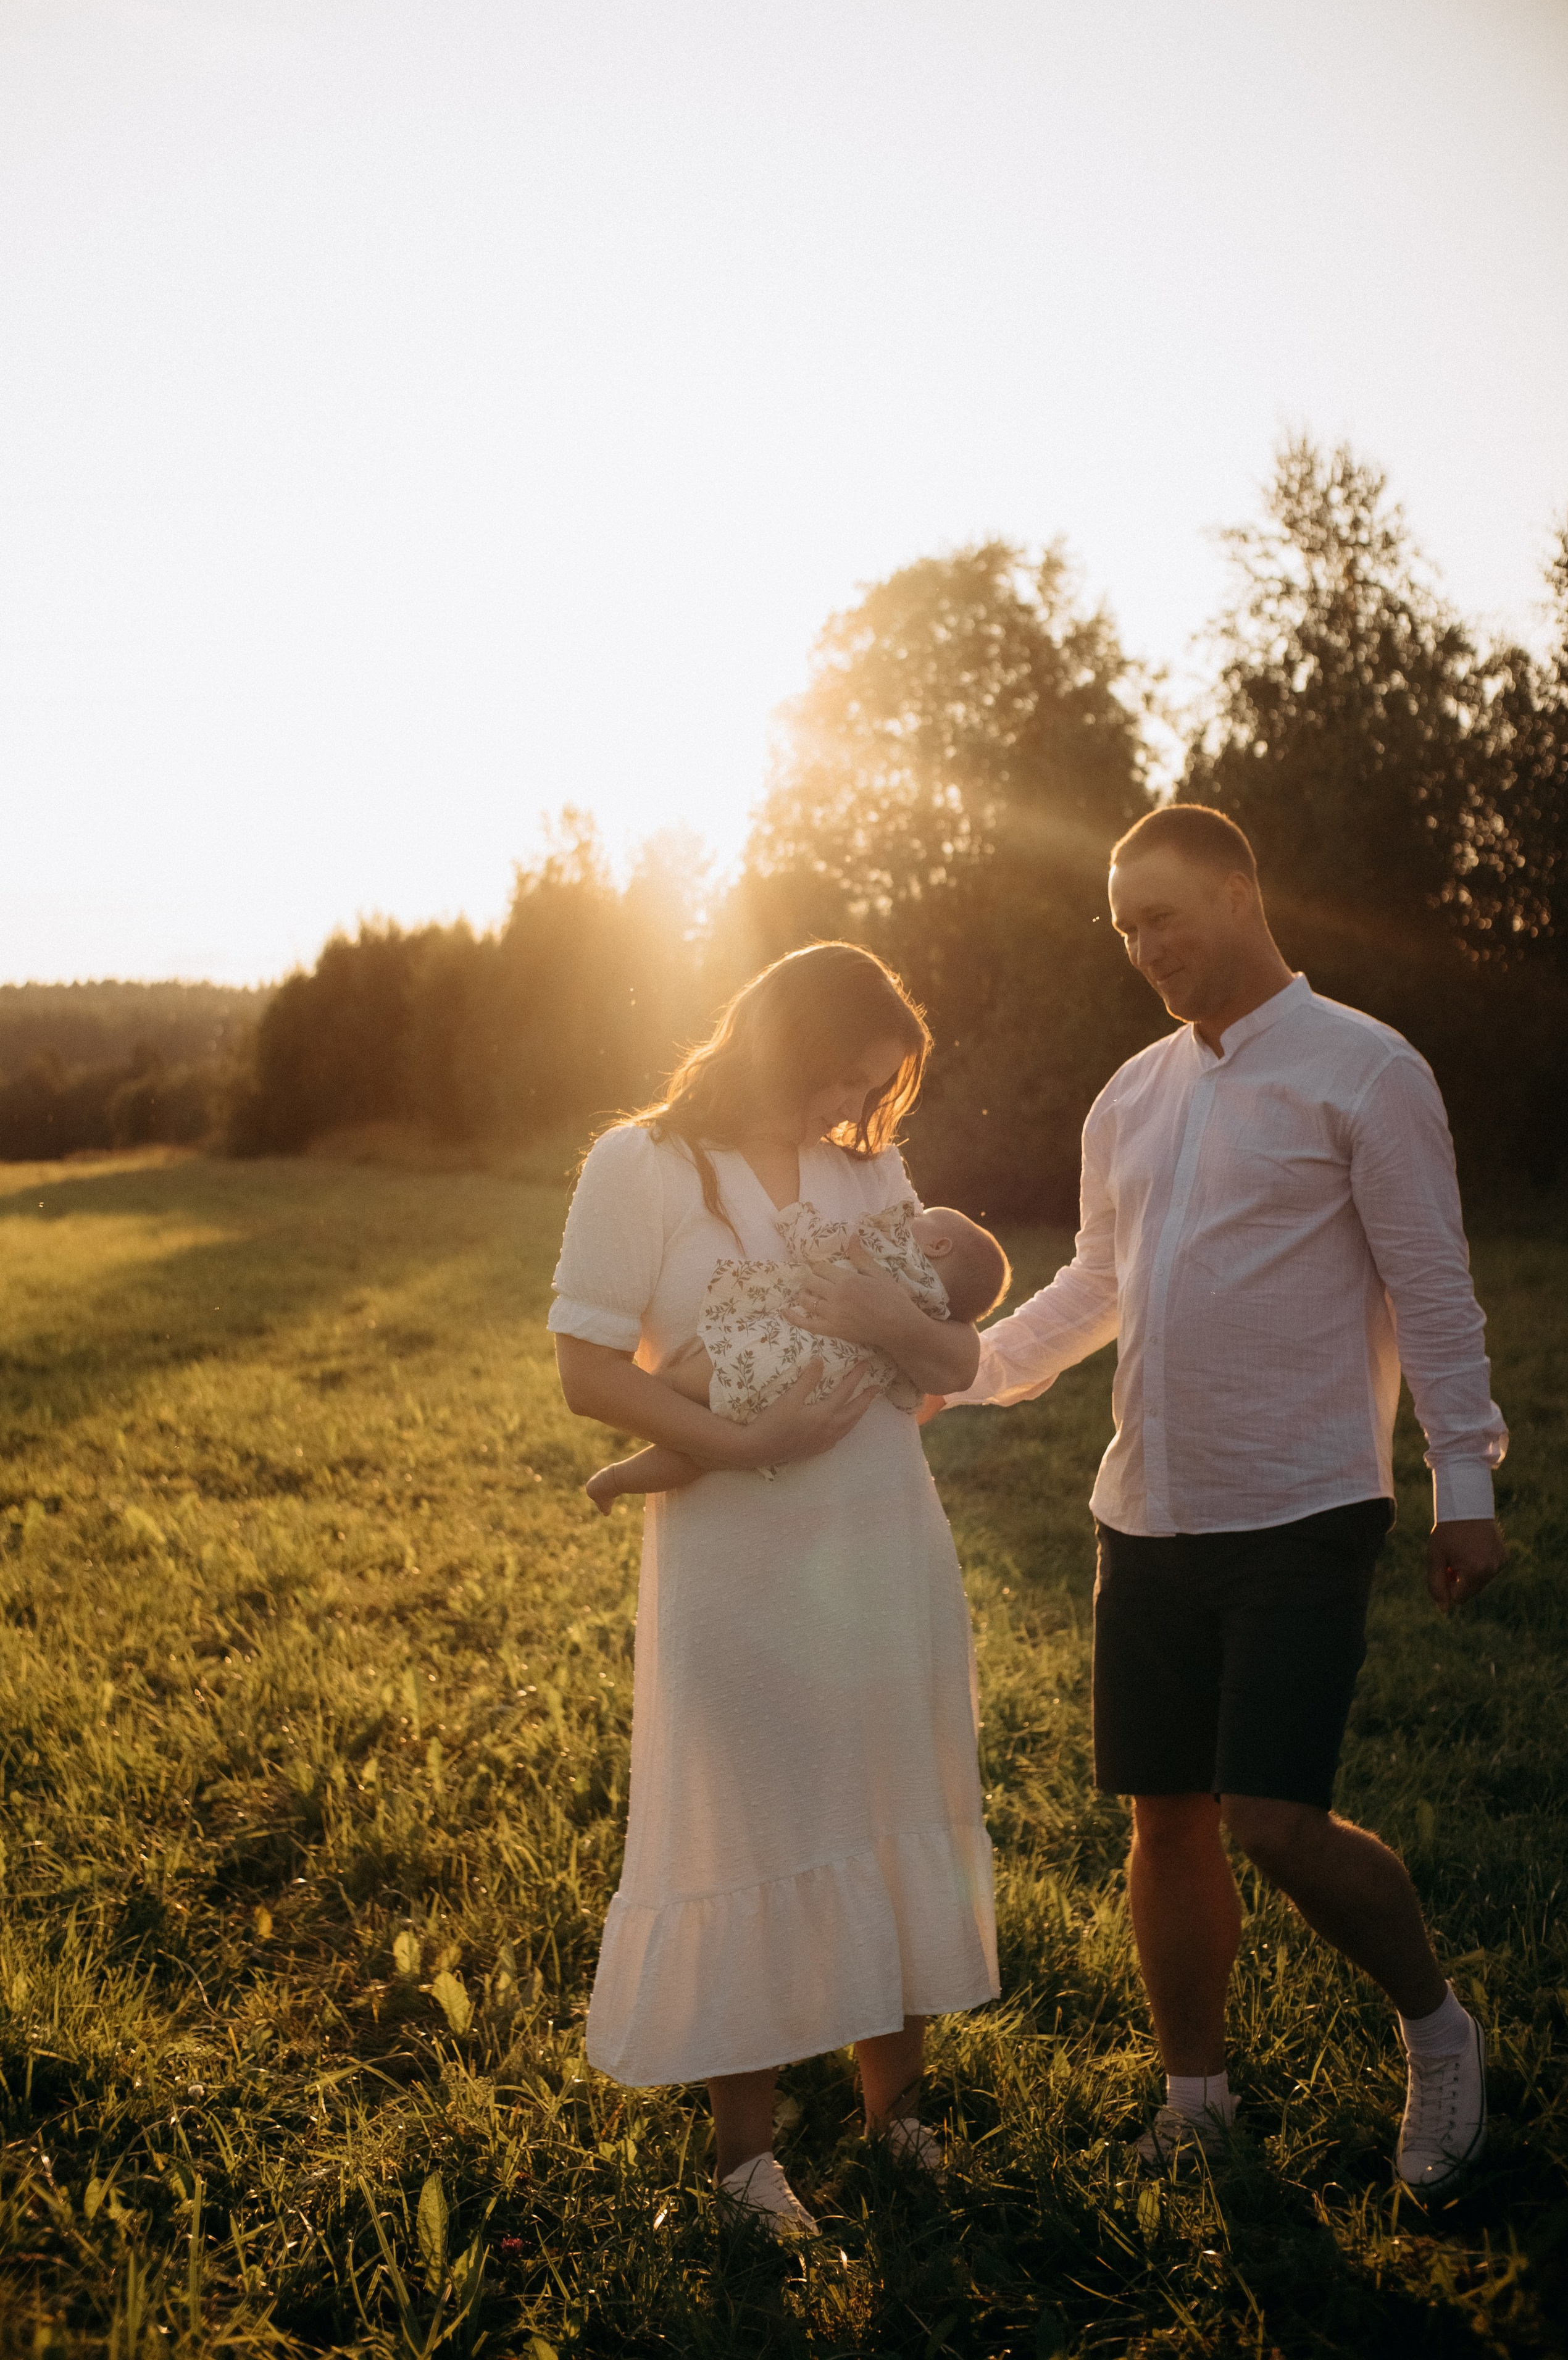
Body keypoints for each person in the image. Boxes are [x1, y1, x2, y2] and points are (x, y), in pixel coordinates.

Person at [899, 803, 1505, 2195]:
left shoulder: (1365, 1069)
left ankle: (1439, 2034)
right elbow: (1096, 1283)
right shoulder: (1129, 1094)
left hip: (1302, 1503)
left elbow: (1430, 1287)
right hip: (1145, 1510)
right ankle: (1196, 2104)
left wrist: (1462, 1483)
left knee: (1273, 1820)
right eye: (1123, 928)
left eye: (1163, 917)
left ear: (1238, 893)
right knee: (1163, 1818)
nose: (1144, 948)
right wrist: (969, 1374)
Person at [549, 942, 1000, 2237]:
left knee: (887, 1800)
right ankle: (745, 2165)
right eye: (843, 1080)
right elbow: (587, 1371)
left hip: (881, 1543)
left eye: (872, 1090)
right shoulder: (640, 1164)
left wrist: (881, 1316)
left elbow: (950, 1357)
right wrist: (746, 1442)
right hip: (734, 1553)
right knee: (744, 1824)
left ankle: (896, 2122)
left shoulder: (868, 1169)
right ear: (785, 1047)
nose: (851, 1110)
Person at [585, 1198, 1011, 1513]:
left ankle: (648, 1409)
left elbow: (825, 1247)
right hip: (808, 1404)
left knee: (676, 1385)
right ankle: (618, 1480)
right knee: (700, 1459)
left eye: (921, 1218)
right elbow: (906, 1392)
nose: (909, 1217)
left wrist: (796, 1218)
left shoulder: (891, 1252)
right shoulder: (934, 1317)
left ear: (938, 1245)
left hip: (769, 1354)